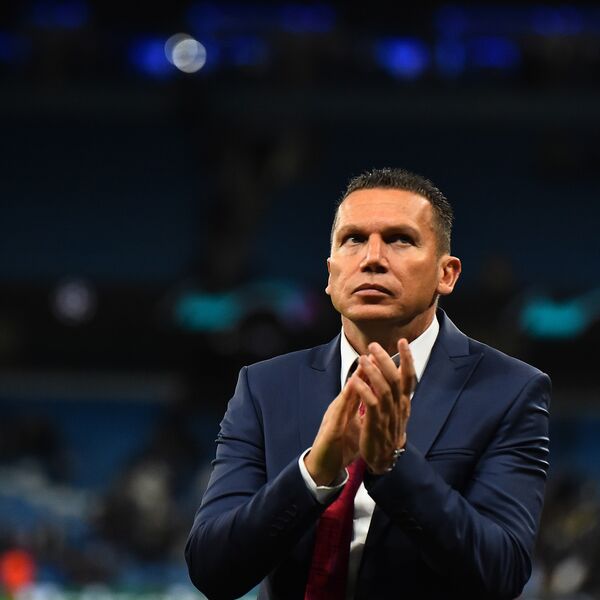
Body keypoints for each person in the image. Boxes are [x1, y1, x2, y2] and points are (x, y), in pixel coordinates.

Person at [185, 168, 551, 600]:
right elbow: (212, 570)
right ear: (330, 274)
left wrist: (393, 465)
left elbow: (501, 573)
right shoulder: (264, 387)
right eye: (354, 239)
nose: (372, 258)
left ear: (447, 274)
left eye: (400, 239)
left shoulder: (510, 391)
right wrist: (313, 475)